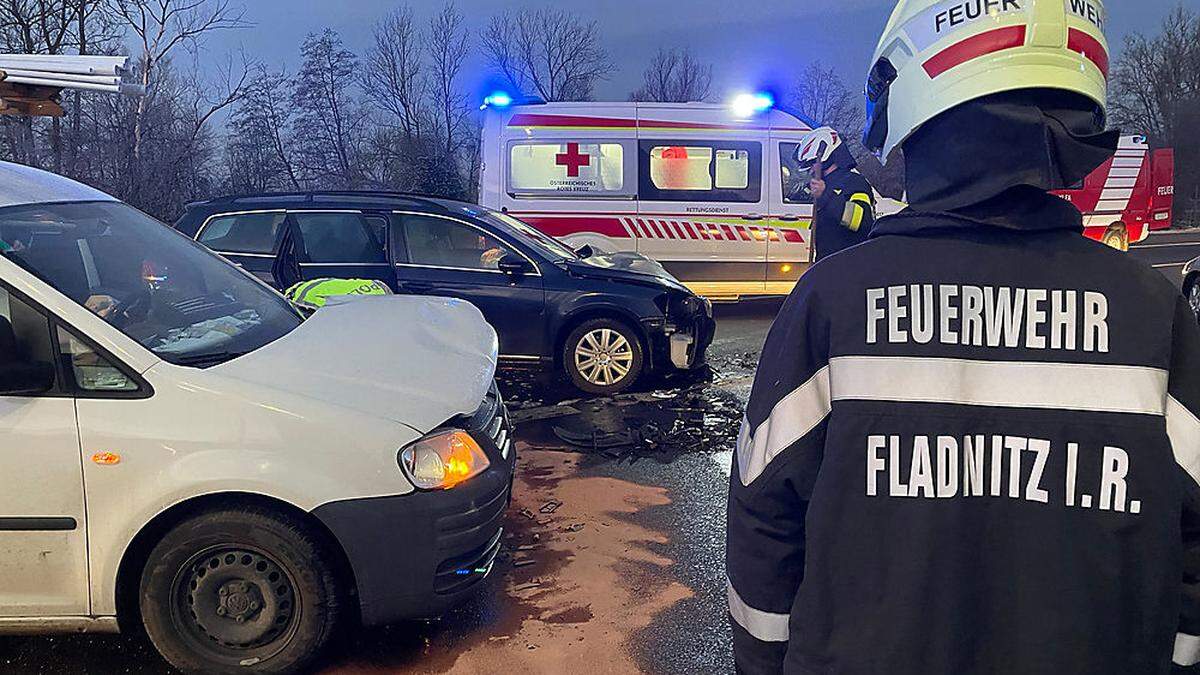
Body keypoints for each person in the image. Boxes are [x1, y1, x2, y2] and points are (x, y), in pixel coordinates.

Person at [725, 2, 1200, 674]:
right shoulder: (1156, 314)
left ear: (918, 107)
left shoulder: (831, 306)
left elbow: (762, 525)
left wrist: (767, 663)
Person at [795, 127, 877, 261]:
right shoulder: (824, 184)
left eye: (811, 164)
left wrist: (826, 195)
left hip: (848, 265)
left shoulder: (854, 182)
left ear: (825, 157)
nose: (810, 171)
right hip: (827, 264)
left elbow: (861, 222)